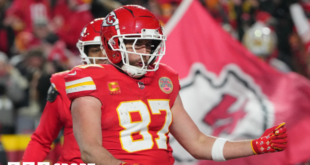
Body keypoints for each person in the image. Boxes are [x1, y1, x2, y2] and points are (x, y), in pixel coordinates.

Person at [65, 5, 287, 165]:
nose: (145, 52)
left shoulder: (163, 80)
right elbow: (90, 150)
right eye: (136, 44)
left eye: (150, 45)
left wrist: (255, 146)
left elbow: (198, 143)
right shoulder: (91, 82)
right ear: (113, 43)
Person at [22, 18, 108, 163]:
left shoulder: (138, 83)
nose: (102, 57)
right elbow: (42, 139)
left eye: (107, 50)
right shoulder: (65, 84)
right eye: (95, 50)